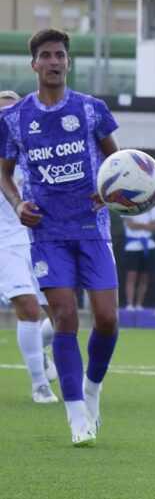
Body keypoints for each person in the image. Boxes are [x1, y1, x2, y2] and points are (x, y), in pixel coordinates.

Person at [0, 29, 122, 446]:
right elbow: (3, 171)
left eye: (61, 55)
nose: (55, 62)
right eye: (47, 55)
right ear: (33, 64)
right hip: (47, 232)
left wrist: (110, 192)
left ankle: (92, 388)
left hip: (92, 228)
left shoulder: (91, 110)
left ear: (68, 63)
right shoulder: (14, 118)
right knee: (65, 316)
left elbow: (117, 160)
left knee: (107, 319)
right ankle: (76, 416)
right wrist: (18, 204)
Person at [0, 90, 57, 404]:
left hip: (38, 239)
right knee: (29, 308)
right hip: (4, 244)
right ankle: (39, 384)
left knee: (62, 315)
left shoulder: (35, 150)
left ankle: (41, 350)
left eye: (12, 111)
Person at [122, 206, 155, 310]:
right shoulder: (127, 202)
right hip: (132, 246)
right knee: (131, 275)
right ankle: (129, 304)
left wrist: (139, 225)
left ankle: (139, 304)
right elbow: (130, 225)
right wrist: (147, 226)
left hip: (148, 245)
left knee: (145, 277)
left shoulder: (152, 204)